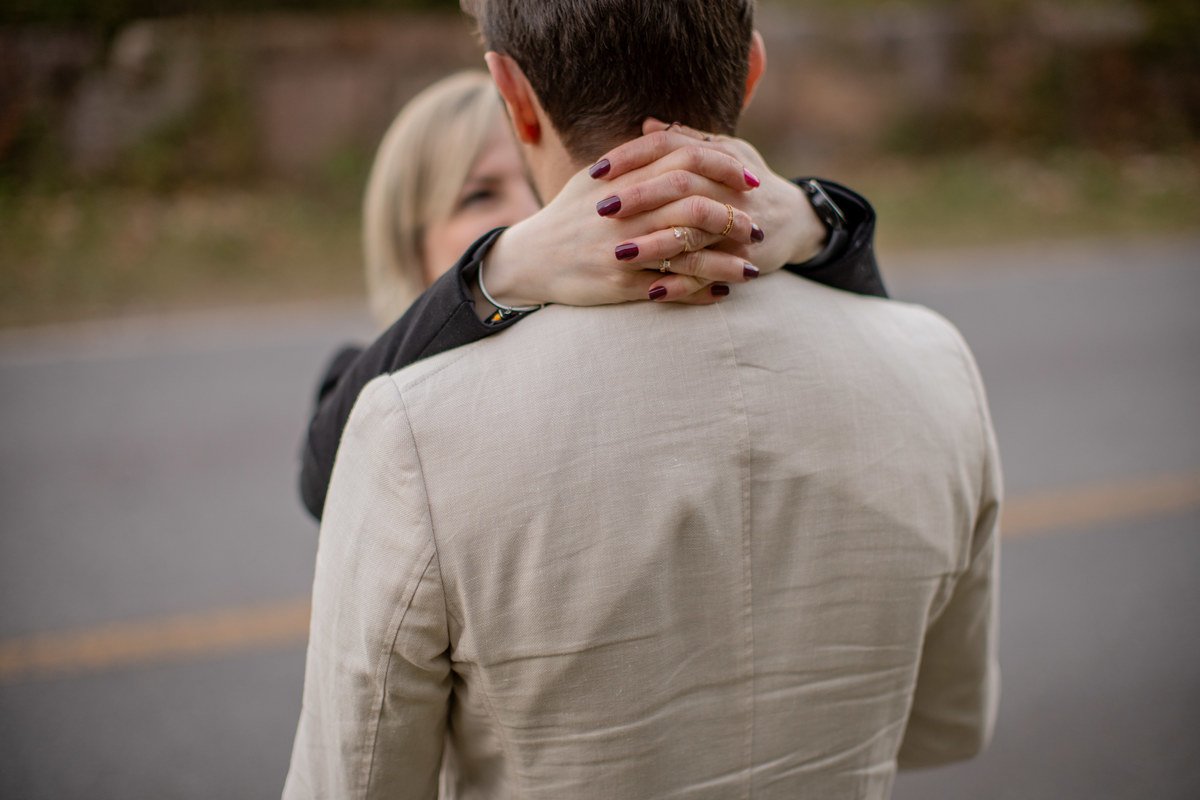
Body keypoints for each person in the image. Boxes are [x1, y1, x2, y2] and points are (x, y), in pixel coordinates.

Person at [284, 2, 1001, 797]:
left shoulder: (414, 431)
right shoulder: (935, 362)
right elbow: (945, 722)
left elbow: (353, 780)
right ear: (753, 70)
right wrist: (818, 220)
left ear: (514, 98)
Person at [300, 72, 887, 520]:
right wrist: (504, 263)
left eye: (536, 186)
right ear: (411, 246)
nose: (534, 214)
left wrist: (815, 224)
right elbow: (326, 477)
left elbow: (884, 355)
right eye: (480, 197)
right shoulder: (367, 378)